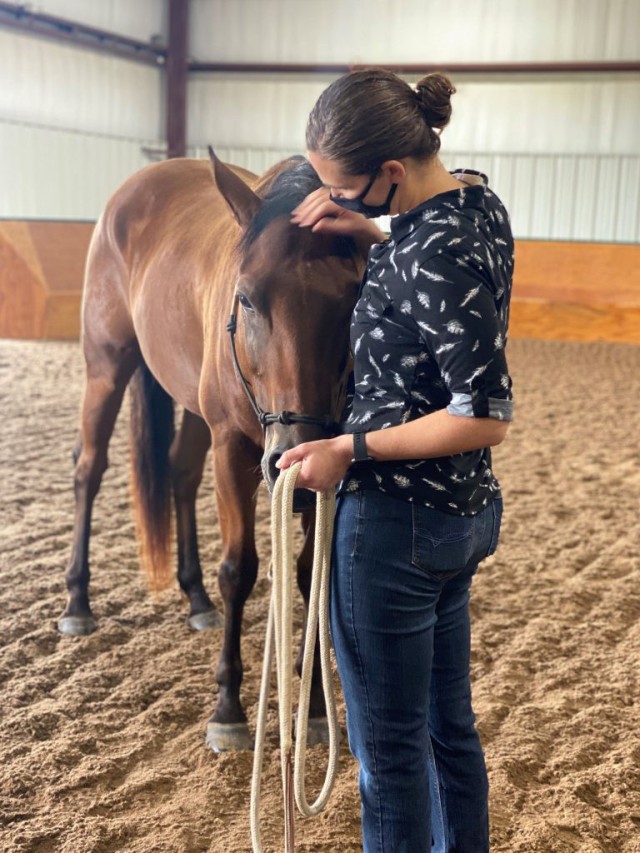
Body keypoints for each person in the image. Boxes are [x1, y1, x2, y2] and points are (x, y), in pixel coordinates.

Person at [276, 68, 514, 853]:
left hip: (395, 528)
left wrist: (348, 448)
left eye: (345, 189)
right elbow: (442, 283)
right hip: (460, 517)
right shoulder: (475, 207)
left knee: (390, 759)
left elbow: (482, 417)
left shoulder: (430, 256)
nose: (336, 201)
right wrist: (376, 235)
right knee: (450, 732)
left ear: (390, 173)